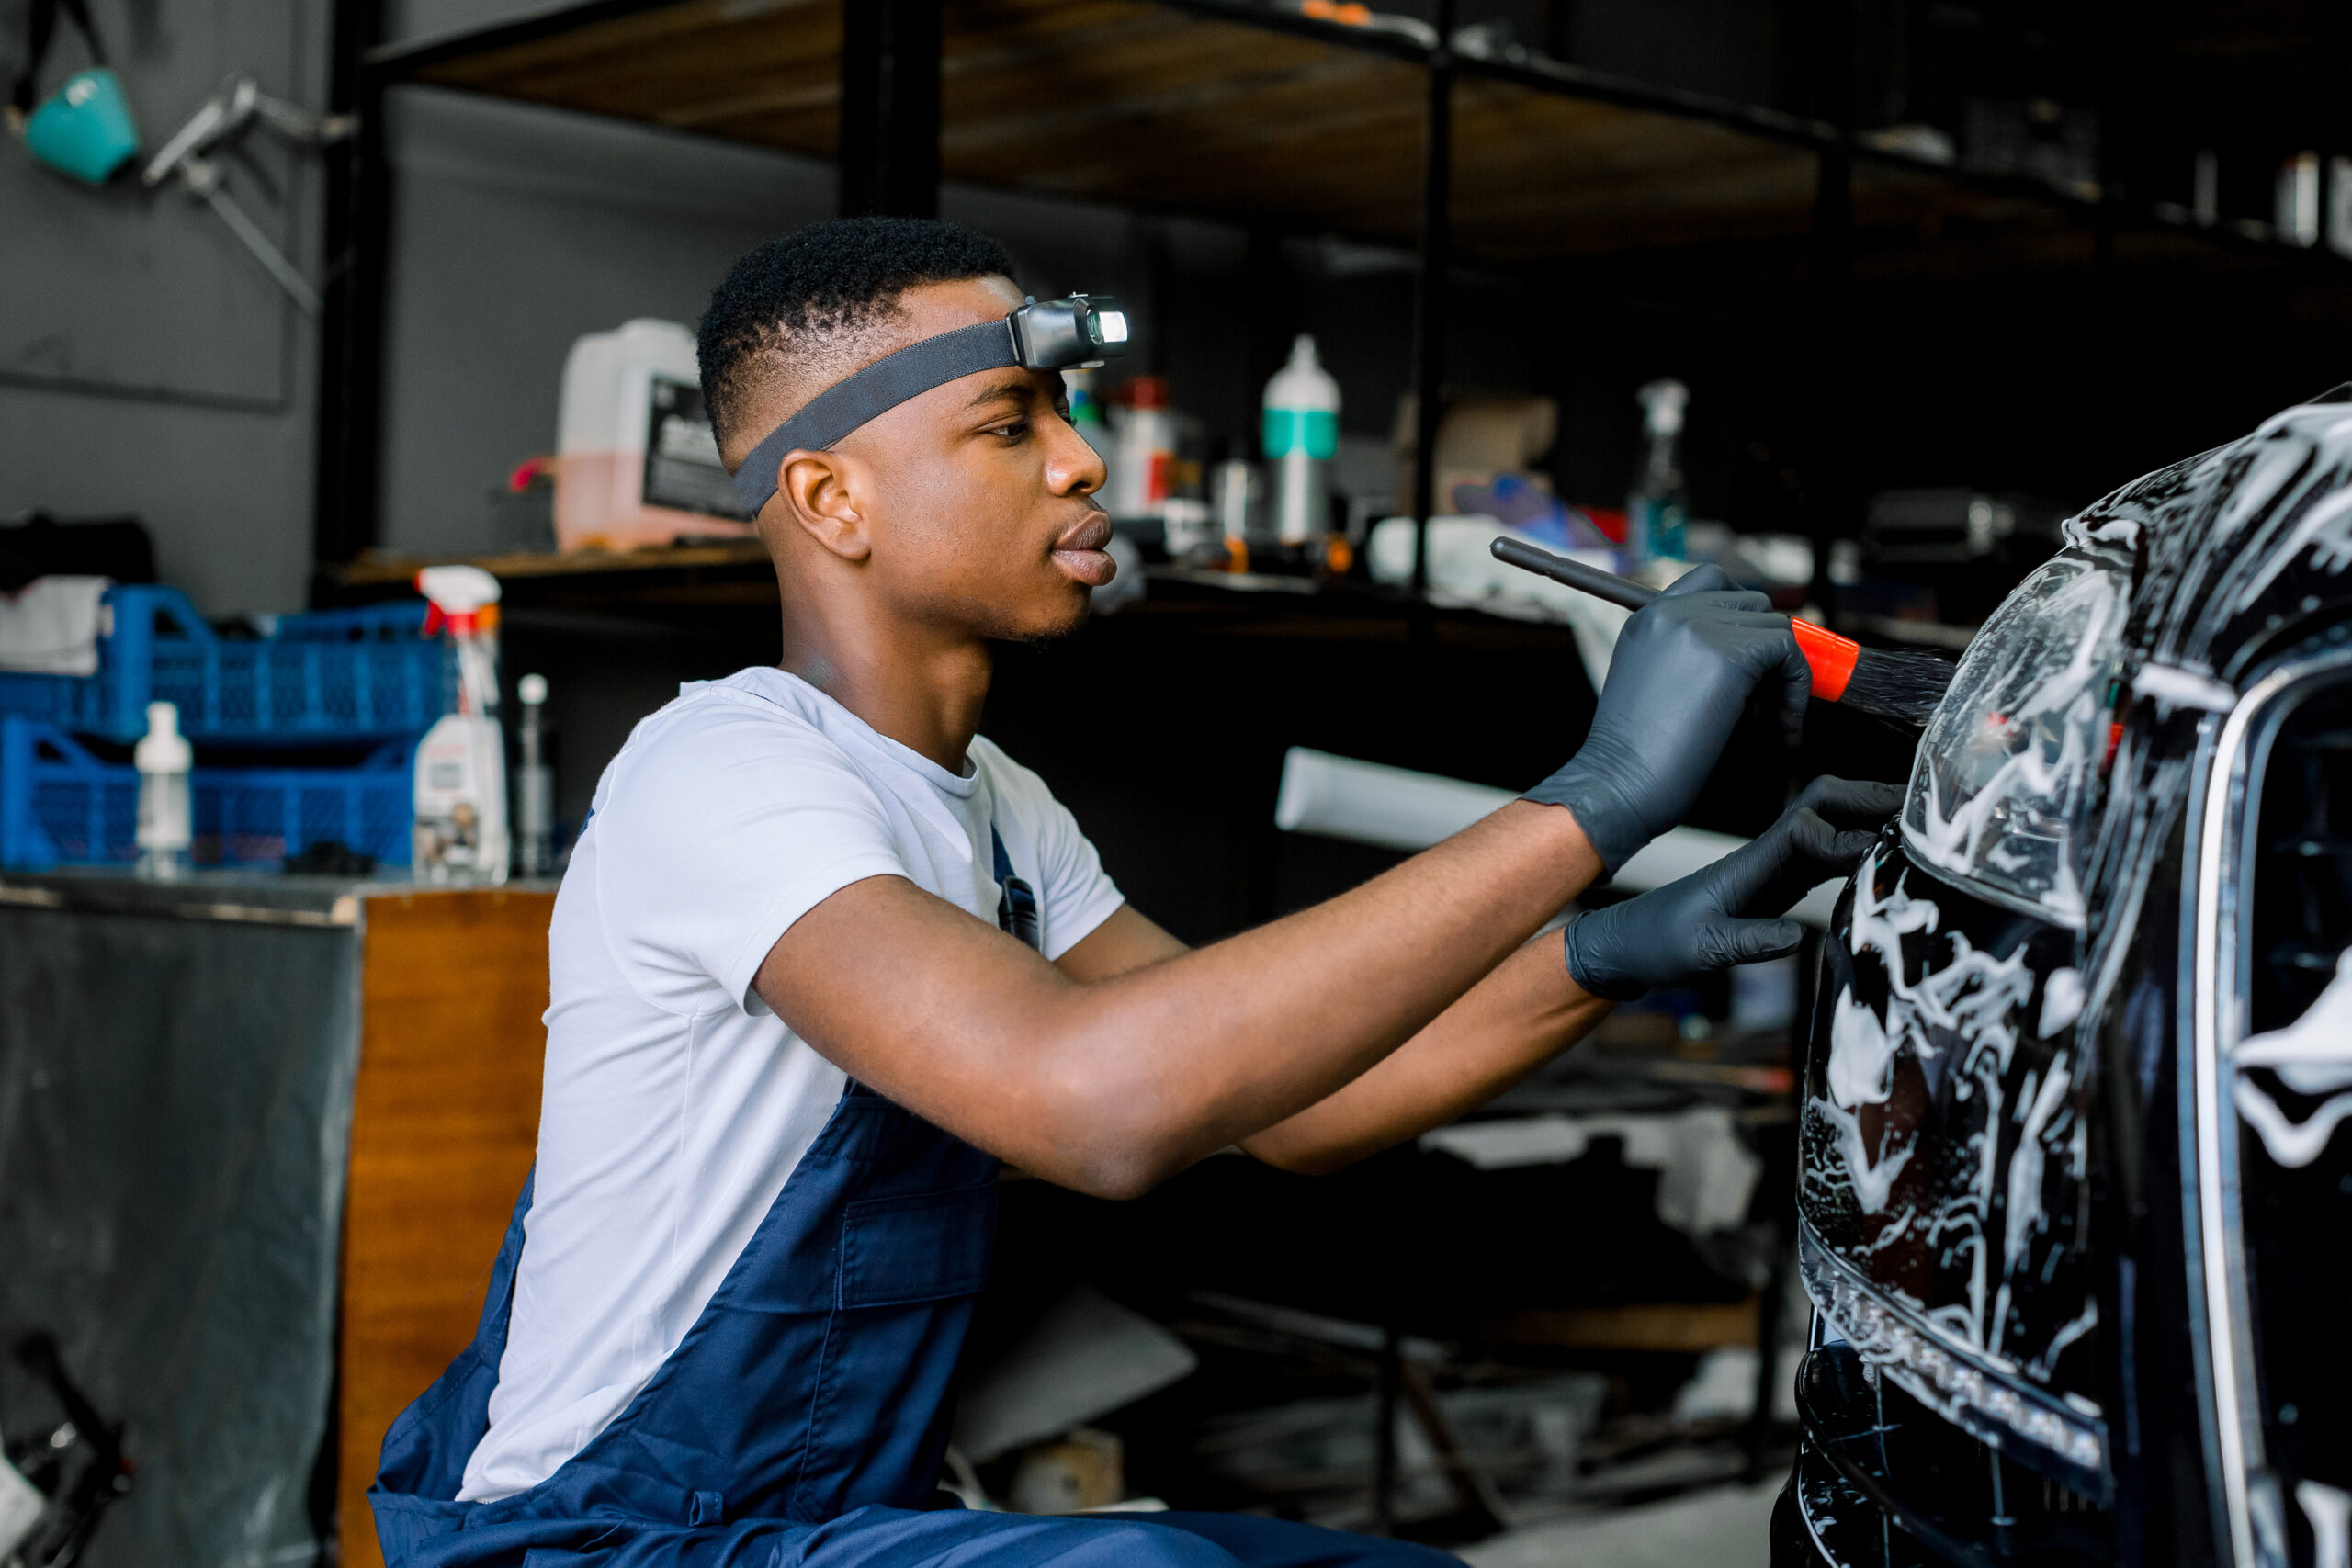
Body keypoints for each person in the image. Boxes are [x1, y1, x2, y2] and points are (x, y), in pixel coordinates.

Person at [368, 218, 1900, 1568]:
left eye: (1069, 411)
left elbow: (1279, 1109)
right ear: (833, 500)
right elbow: (1092, 1102)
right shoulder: (726, 773)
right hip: (606, 1544)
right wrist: (1595, 802)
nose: (1083, 457)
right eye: (1007, 421)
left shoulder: (1002, 812)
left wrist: (1617, 948)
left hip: (833, 1524)